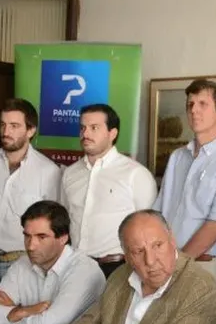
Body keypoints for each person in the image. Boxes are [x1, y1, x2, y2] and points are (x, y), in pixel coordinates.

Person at [42, 210, 216, 324]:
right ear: (126, 256)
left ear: (171, 240)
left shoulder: (198, 285)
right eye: (138, 251)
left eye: (157, 245)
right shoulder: (120, 275)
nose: (150, 260)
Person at [154, 78, 216, 324]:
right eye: (190, 104)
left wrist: (176, 265)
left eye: (203, 104)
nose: (194, 110)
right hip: (165, 268)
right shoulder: (178, 156)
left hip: (202, 268)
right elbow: (159, 213)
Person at [0, 201, 105, 324]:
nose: (31, 246)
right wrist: (21, 311)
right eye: (27, 236)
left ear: (63, 238)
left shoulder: (84, 271)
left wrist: (11, 316)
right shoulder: (23, 264)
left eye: (42, 237)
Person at [60, 104, 157, 278]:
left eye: (94, 128)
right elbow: (65, 218)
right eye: (82, 128)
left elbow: (151, 228)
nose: (86, 134)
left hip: (119, 268)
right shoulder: (69, 173)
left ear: (112, 133)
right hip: (76, 267)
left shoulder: (136, 174)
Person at [0, 98, 61, 289]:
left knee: (16, 316)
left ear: (30, 130)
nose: (6, 132)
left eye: (14, 126)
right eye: (3, 125)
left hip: (22, 261)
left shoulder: (48, 171)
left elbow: (52, 224)